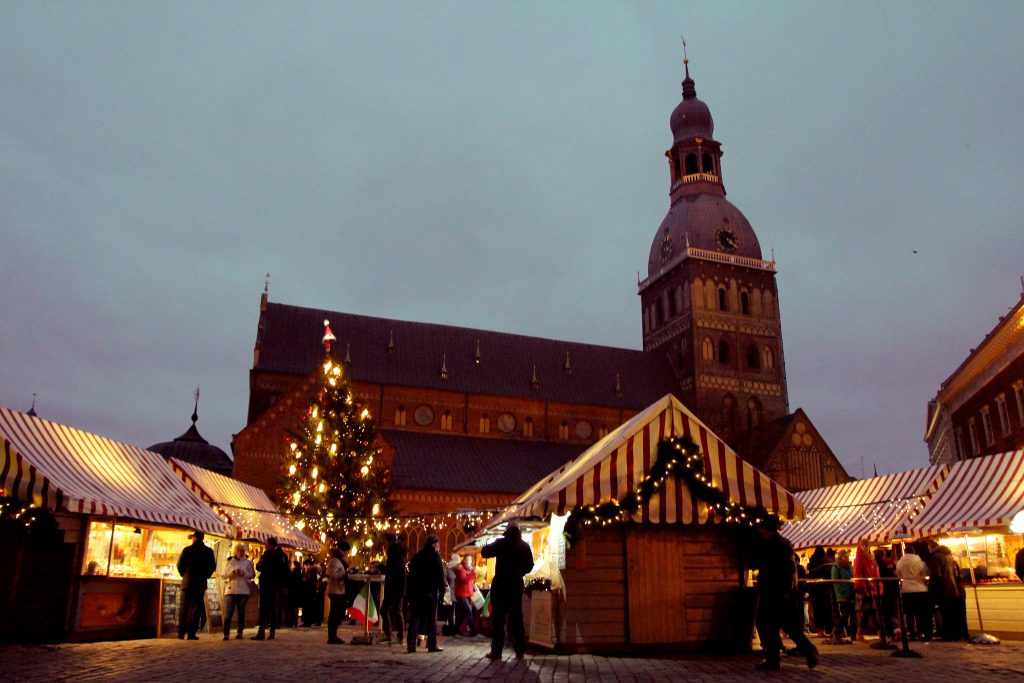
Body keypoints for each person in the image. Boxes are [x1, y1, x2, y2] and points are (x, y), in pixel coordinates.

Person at [751, 517, 818, 671]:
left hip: (777, 591)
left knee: (772, 623)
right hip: (773, 590)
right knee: (776, 624)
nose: (760, 531)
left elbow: (788, 569)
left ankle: (801, 651)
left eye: (762, 528)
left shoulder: (779, 545)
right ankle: (776, 657)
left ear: (767, 529)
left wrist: (785, 590)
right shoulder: (775, 544)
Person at [480, 523, 534, 660]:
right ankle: (520, 651)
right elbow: (529, 567)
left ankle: (497, 651)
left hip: (501, 585)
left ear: (507, 532)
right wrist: (519, 572)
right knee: (517, 618)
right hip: (516, 584)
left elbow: (484, 552)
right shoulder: (525, 546)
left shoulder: (501, 543)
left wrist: (495, 543)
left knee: (498, 619)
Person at [406, 534, 447, 654]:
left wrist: (410, 593)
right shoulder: (435, 557)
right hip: (430, 592)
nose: (439, 546)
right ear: (433, 544)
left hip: (417, 593)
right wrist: (442, 592)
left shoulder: (417, 557)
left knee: (415, 618)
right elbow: (440, 576)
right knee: (431, 619)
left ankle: (411, 645)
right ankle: (432, 645)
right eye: (438, 544)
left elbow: (411, 577)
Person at [176, 530, 217, 640]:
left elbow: (179, 565)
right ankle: (191, 633)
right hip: (199, 583)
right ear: (202, 538)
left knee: (184, 607)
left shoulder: (187, 550)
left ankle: (181, 633)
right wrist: (205, 575)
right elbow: (212, 566)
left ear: (194, 538)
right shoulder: (208, 551)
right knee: (195, 608)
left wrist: (184, 575)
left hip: (187, 582)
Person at [928, 540, 968, 641]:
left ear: (930, 547)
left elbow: (937, 575)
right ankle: (957, 634)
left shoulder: (936, 557)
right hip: (954, 589)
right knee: (954, 613)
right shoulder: (949, 556)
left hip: (944, 589)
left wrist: (931, 588)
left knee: (946, 613)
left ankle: (948, 635)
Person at [252, 537, 289, 640]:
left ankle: (261, 632)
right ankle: (272, 631)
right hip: (277, 586)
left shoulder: (268, 554)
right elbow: (286, 571)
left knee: (264, 609)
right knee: (273, 608)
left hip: (267, 584)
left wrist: (260, 565)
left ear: (271, 544)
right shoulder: (283, 555)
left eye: (266, 544)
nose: (265, 546)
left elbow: (259, 567)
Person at [895, 544, 931, 640]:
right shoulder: (920, 562)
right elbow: (925, 575)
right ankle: (922, 632)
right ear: (914, 552)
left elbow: (898, 575)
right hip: (920, 588)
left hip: (906, 589)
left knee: (909, 614)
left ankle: (911, 633)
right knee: (921, 613)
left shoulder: (900, 563)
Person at [221, 542, 256, 640]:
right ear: (235, 551)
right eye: (240, 551)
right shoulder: (230, 561)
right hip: (231, 590)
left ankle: (240, 632)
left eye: (243, 551)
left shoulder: (248, 562)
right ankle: (226, 634)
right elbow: (223, 575)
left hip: (243, 590)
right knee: (229, 613)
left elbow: (252, 575)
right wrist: (232, 572)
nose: (241, 552)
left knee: (241, 612)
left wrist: (243, 573)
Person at [853, 538, 880, 640]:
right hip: (866, 587)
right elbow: (858, 574)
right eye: (863, 545)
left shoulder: (871, 559)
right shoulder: (860, 559)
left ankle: (860, 632)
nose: (865, 547)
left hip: (871, 586)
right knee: (870, 610)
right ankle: (879, 631)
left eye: (866, 545)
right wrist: (862, 586)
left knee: (869, 610)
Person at [381, 532, 407, 645]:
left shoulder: (395, 555)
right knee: (387, 609)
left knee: (396, 610)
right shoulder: (395, 554)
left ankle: (399, 636)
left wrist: (382, 567)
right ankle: (389, 634)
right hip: (393, 587)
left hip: (395, 588)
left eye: (386, 541)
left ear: (390, 542)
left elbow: (395, 572)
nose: (385, 544)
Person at [807, 546, 834, 637]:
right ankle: (824, 631)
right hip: (826, 590)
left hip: (815, 591)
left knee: (818, 611)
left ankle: (820, 631)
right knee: (826, 611)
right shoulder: (826, 562)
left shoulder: (813, 563)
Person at [326, 542, 350, 644]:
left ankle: (333, 635)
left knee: (336, 613)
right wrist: (344, 572)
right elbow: (332, 574)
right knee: (334, 614)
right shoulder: (335, 560)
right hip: (334, 590)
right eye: (346, 551)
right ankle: (332, 636)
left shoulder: (340, 560)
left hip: (338, 589)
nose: (347, 554)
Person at [831, 549, 856, 639]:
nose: (847, 558)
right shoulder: (836, 567)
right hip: (842, 595)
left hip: (851, 593)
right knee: (844, 615)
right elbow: (835, 582)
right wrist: (841, 592)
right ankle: (837, 631)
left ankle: (853, 634)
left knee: (853, 615)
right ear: (841, 557)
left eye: (847, 556)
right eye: (845, 556)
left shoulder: (849, 567)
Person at [452, 555, 478, 637]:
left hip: (467, 594)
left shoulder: (468, 570)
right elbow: (463, 580)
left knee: (463, 614)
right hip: (461, 595)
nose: (468, 561)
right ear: (464, 561)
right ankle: (473, 631)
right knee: (469, 612)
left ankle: (454, 631)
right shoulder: (461, 570)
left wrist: (473, 580)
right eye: (466, 560)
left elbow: (470, 580)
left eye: (469, 560)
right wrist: (472, 574)